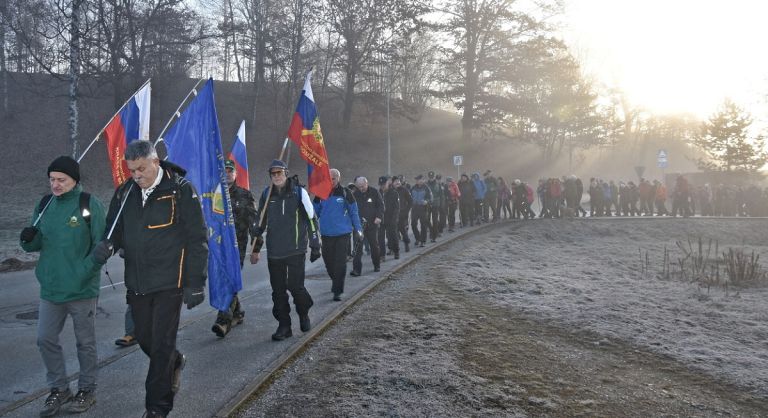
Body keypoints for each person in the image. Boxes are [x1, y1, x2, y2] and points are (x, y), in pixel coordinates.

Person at [100, 140, 208, 418]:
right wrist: (107, 245)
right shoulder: (125, 192)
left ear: (155, 163)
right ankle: (174, 361)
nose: (136, 175)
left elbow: (197, 239)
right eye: (131, 170)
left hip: (170, 282)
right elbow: (113, 229)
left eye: (141, 169)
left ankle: (157, 408)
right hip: (137, 283)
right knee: (147, 339)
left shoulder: (180, 190)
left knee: (160, 345)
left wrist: (196, 282)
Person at [20, 156, 107, 416]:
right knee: (45, 339)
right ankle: (59, 389)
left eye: (61, 180)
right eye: (52, 180)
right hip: (51, 288)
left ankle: (87, 390)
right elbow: (36, 244)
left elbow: (100, 248)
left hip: (81, 289)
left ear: (74, 181)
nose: (55, 185)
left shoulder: (89, 205)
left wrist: (82, 272)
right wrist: (27, 241)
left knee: (85, 343)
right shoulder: (44, 205)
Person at [250, 160, 318, 341]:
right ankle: (284, 325)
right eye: (273, 174)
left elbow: (311, 218)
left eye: (279, 173)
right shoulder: (266, 194)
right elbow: (259, 221)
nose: (277, 176)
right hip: (274, 251)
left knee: (296, 286)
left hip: (296, 248)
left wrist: (315, 242)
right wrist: (255, 240)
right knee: (278, 291)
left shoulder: (298, 192)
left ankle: (304, 311)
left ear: (286, 173)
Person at [212, 160, 257, 338]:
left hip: (236, 247)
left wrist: (256, 248)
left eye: (231, 171)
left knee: (229, 281)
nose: (228, 173)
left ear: (236, 174)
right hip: (218, 246)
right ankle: (237, 313)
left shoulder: (244, 195)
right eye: (225, 171)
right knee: (223, 279)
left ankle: (223, 320)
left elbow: (254, 223)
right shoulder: (215, 196)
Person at [313, 168, 363, 301]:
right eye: (328, 178)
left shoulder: (346, 193)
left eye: (333, 178)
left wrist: (358, 230)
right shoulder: (320, 194)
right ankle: (336, 280)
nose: (331, 180)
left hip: (343, 234)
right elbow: (314, 213)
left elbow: (354, 212)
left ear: (338, 178)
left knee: (340, 263)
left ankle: (337, 290)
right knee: (328, 262)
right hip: (326, 234)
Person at [351, 176, 384, 275]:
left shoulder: (374, 192)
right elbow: (350, 209)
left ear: (367, 183)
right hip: (358, 226)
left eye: (362, 186)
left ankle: (376, 265)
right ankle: (357, 270)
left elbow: (380, 205)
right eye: (359, 187)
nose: (361, 188)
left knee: (374, 246)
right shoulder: (354, 194)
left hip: (372, 224)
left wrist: (379, 217)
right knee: (357, 248)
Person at [378, 176, 400, 261]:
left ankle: (396, 251)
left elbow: (396, 208)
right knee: (380, 238)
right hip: (381, 219)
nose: (382, 186)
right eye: (381, 185)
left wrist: (394, 219)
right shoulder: (378, 193)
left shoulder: (394, 193)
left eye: (384, 184)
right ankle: (382, 255)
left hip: (391, 218)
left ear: (388, 183)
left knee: (393, 235)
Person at [410, 174, 433, 246]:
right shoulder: (413, 188)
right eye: (416, 180)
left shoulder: (426, 188)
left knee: (423, 225)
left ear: (422, 180)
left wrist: (427, 201)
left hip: (423, 208)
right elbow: (409, 197)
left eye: (419, 179)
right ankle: (417, 238)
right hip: (414, 208)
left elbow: (431, 198)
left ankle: (423, 241)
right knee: (413, 224)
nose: (417, 181)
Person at [393, 176, 412, 252]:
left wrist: (406, 210)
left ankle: (406, 244)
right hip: (393, 215)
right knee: (393, 231)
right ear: (393, 183)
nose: (397, 182)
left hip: (402, 214)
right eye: (396, 181)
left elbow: (410, 201)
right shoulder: (391, 190)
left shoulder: (404, 190)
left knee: (403, 230)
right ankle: (393, 249)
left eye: (398, 181)